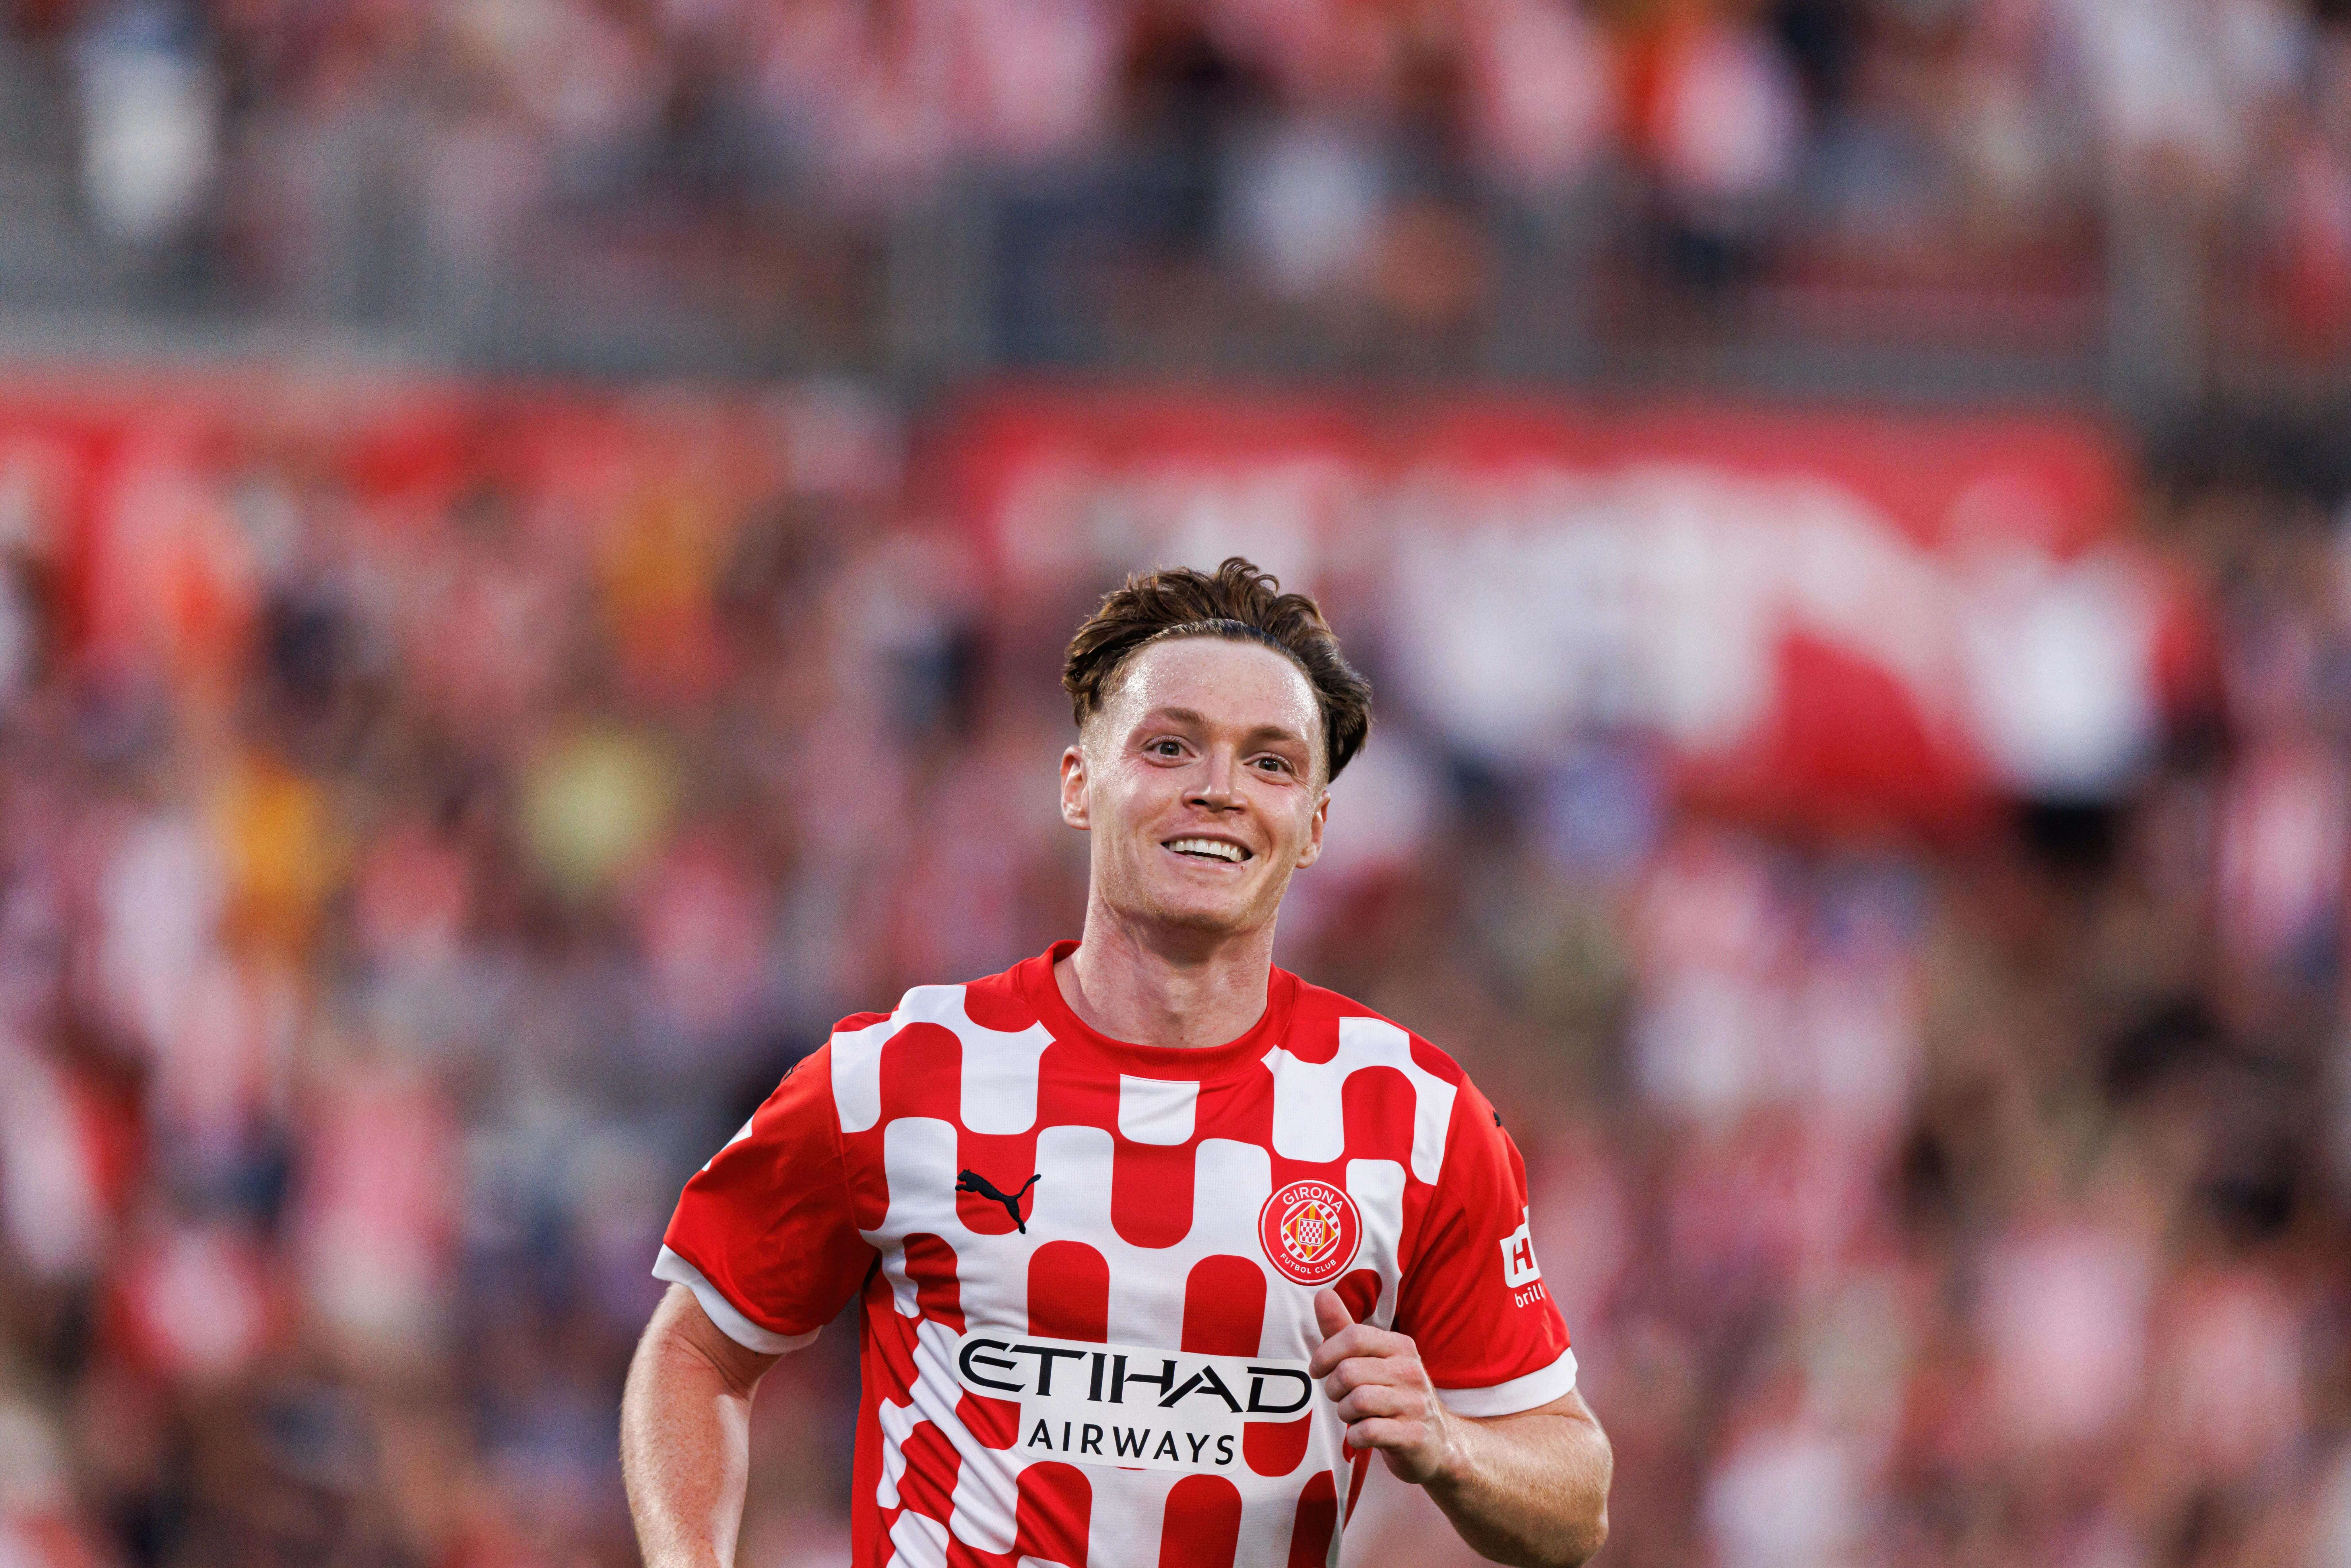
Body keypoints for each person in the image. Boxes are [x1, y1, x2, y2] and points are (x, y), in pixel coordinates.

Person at [619, 558, 1612, 1567]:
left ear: (1312, 827)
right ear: (1079, 784)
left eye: (1271, 764)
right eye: (1171, 746)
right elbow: (696, 1353)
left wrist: (1449, 1449)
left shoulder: (1415, 1118)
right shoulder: (899, 1076)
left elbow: (1574, 1500)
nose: (1219, 790)